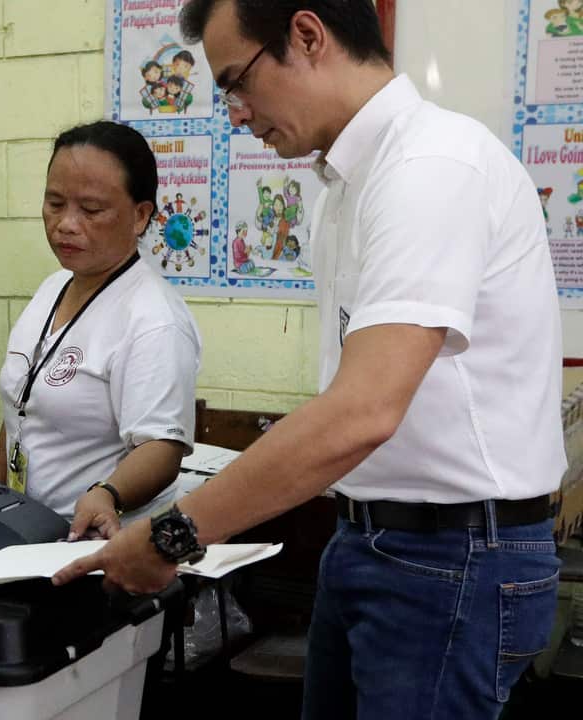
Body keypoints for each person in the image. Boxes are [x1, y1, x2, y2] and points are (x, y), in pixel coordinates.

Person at [54, 2, 564, 719]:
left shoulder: (431, 168)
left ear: (306, 35)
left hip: (452, 558)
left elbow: (362, 411)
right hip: (372, 537)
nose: (236, 114)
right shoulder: (348, 184)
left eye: (238, 82)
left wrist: (175, 533)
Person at [0, 121, 201, 542]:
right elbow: (20, 411)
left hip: (89, 544)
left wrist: (107, 494)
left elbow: (161, 447)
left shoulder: (153, 318)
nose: (65, 223)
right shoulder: (53, 288)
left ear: (140, 215)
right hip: (23, 532)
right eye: (54, 202)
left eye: (90, 209)